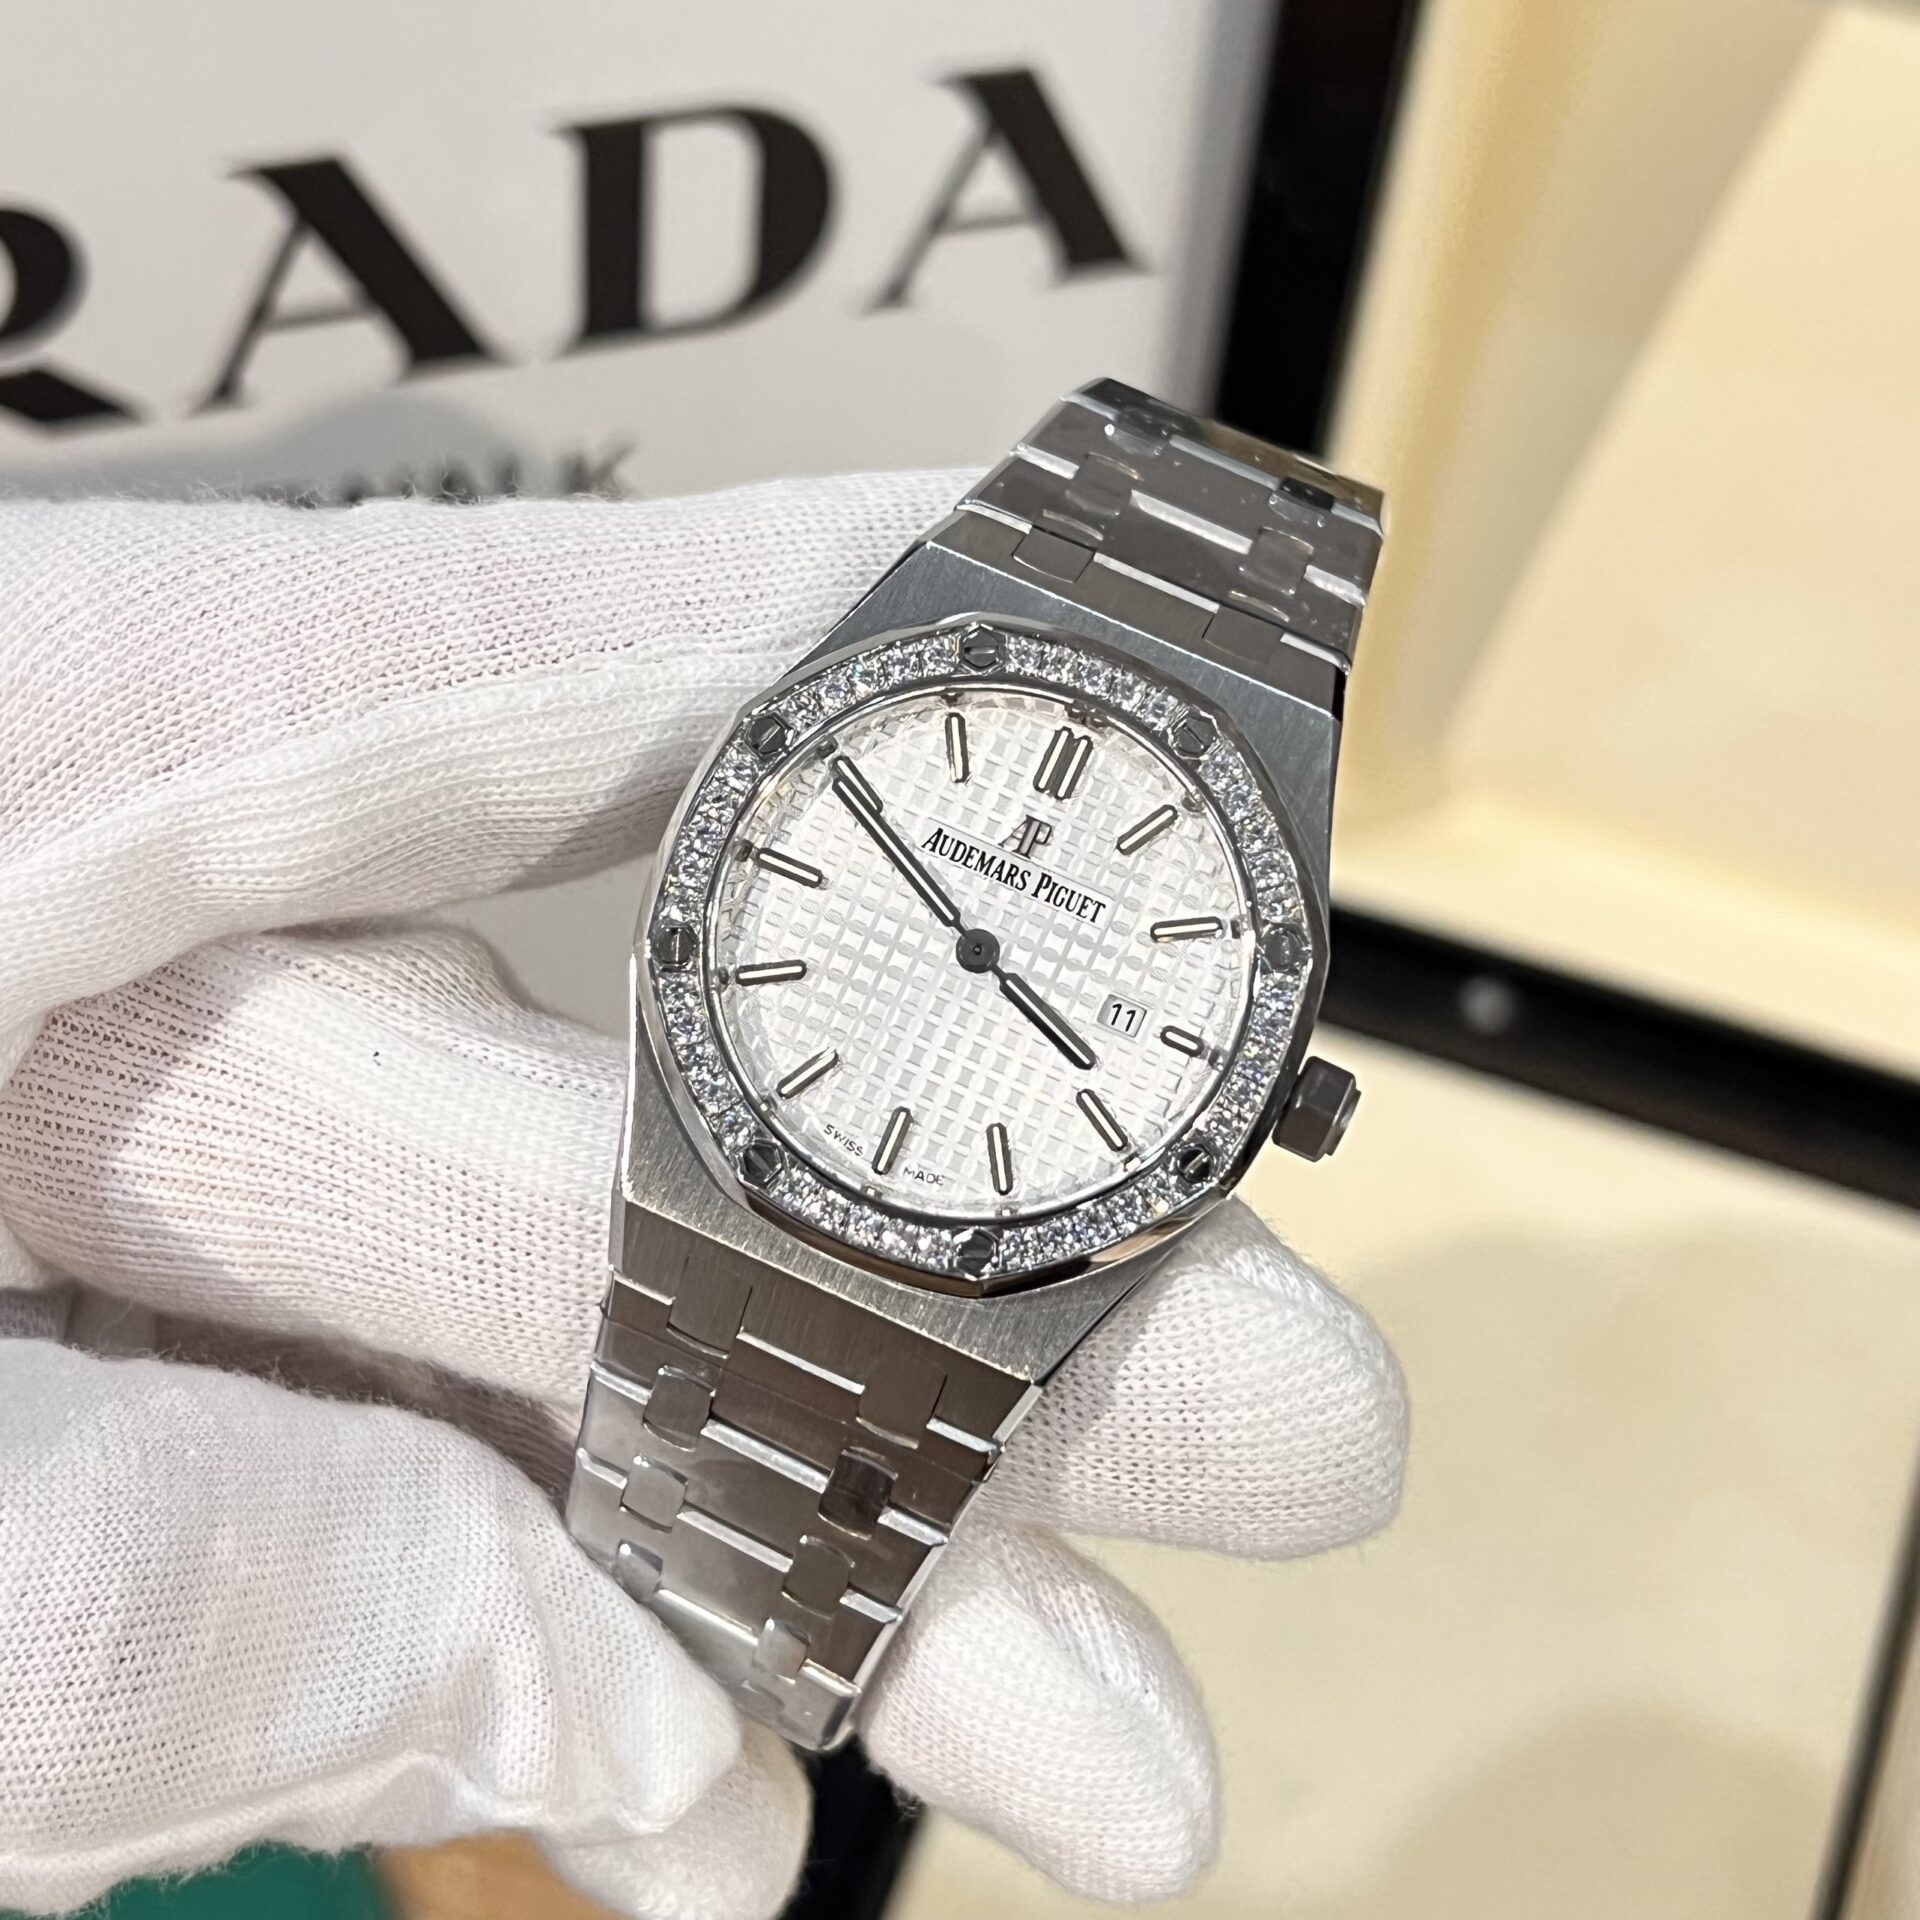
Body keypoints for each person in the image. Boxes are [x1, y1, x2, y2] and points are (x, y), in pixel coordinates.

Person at [0, 474, 1407, 1919]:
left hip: (943, 1233)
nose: (980, 956)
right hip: (732, 1160)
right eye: (968, 930)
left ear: (1269, 1088)